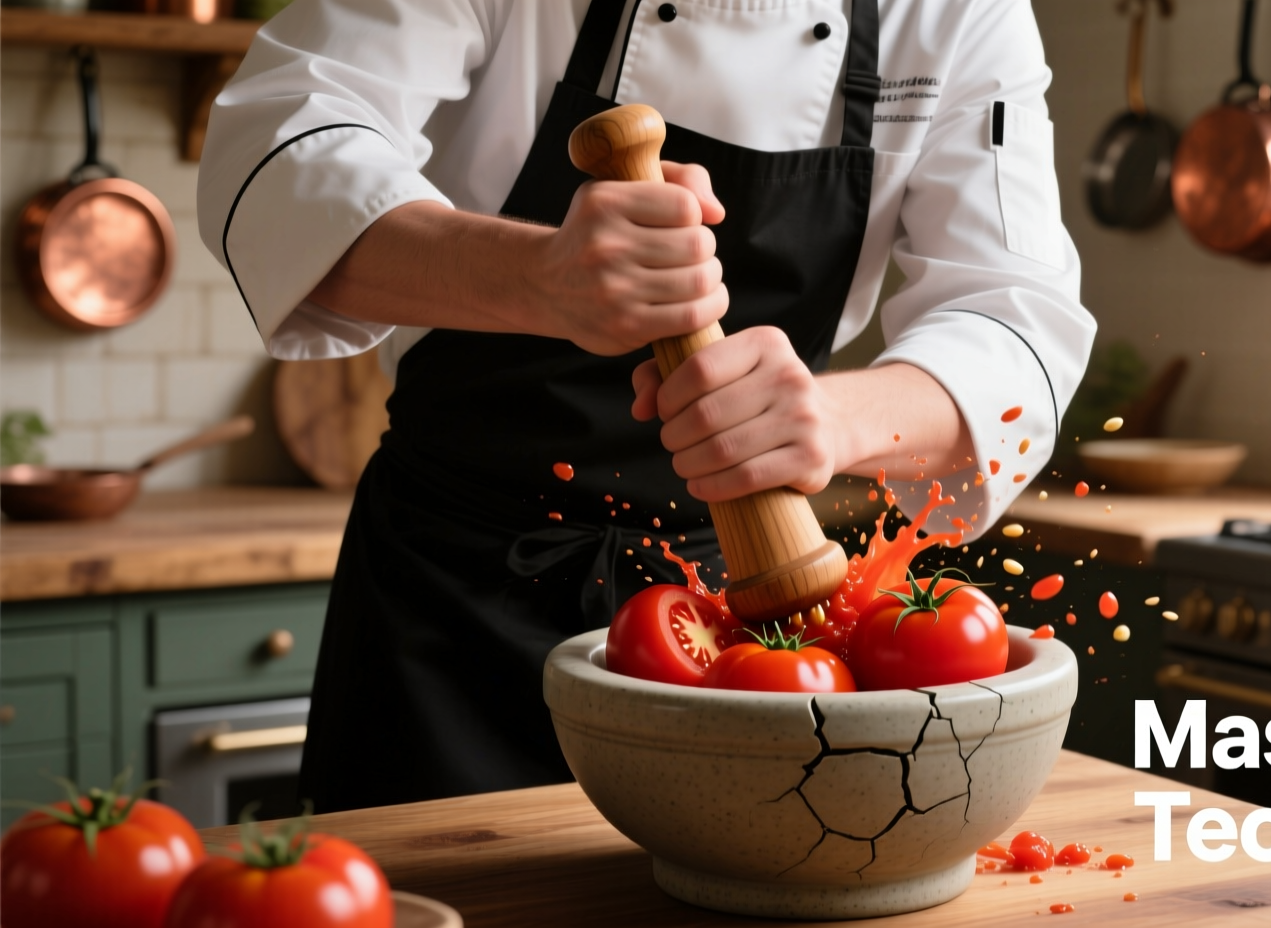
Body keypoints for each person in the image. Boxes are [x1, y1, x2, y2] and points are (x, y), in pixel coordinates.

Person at [198, 0, 1094, 812]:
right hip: (445, 609)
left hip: (745, 628)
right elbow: (280, 149)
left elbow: (1019, 317)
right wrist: (536, 278)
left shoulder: (955, 13)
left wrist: (826, 421)